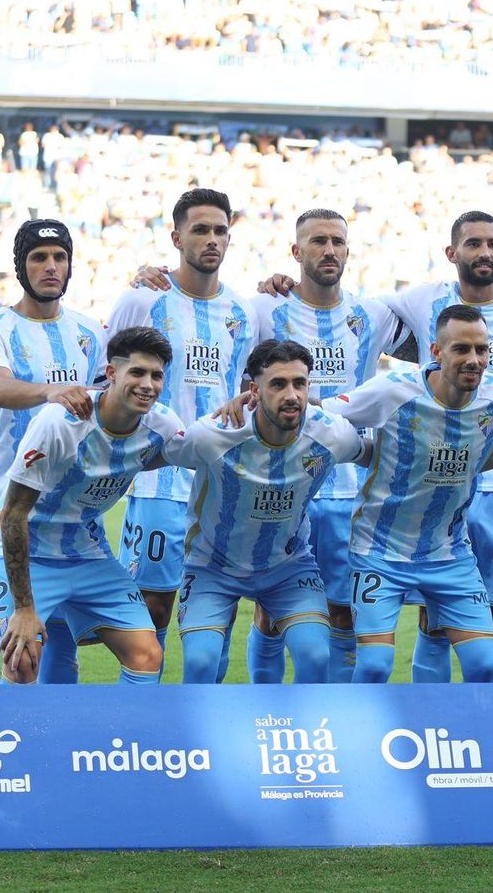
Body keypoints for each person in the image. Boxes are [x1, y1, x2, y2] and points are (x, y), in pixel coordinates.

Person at [130, 209, 405, 683]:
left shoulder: (373, 314)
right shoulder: (260, 308)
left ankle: (322, 717)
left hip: (342, 487)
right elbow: (241, 360)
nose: (329, 250)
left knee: (336, 614)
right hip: (260, 474)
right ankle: (263, 710)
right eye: (317, 241)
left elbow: (442, 349)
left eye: (338, 241)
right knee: (258, 606)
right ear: (296, 252)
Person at [323, 305, 493, 683]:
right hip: (379, 550)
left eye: (482, 349)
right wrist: (252, 406)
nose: (474, 360)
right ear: (436, 352)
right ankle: (359, 737)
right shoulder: (391, 390)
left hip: (449, 553)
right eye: (462, 349)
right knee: (375, 665)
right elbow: (323, 414)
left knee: (484, 664)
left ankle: (461, 737)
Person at [107, 188, 256, 681]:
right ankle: (145, 722)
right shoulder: (142, 299)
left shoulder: (242, 311)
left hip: (222, 484)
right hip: (158, 483)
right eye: (200, 230)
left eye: (220, 231)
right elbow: (105, 376)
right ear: (176, 237)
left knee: (217, 612)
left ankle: (204, 719)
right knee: (152, 609)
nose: (212, 240)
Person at [164, 339, 372, 684]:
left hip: (287, 566)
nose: (291, 394)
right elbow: (161, 452)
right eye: (278, 384)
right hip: (212, 565)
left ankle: (299, 735)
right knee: (201, 663)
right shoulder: (212, 435)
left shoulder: (332, 433)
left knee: (315, 655)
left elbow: (376, 455)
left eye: (299, 383)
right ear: (254, 390)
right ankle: (202, 736)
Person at [0, 218, 104, 686]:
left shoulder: (89, 333)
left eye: (59, 257)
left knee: (59, 633)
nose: (51, 266)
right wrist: (52, 393)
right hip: (0, 508)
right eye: (39, 257)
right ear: (20, 266)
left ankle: (54, 741)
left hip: (67, 512)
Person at [0, 327, 179, 685]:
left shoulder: (163, 425)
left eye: (156, 375)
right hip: (30, 554)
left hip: (88, 553)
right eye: (136, 372)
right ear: (111, 374)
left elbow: (203, 448)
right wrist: (25, 608)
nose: (148, 384)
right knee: (22, 658)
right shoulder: (59, 424)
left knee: (147, 653)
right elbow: (14, 515)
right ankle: (24, 740)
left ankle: (128, 739)